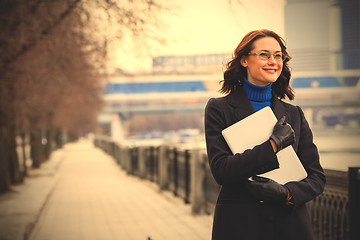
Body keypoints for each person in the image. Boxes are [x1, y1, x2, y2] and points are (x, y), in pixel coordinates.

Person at [204, 29, 326, 240]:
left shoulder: (294, 113)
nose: (273, 61)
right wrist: (273, 145)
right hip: (241, 225)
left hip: (290, 226)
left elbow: (316, 177)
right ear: (244, 60)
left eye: (277, 55)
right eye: (264, 54)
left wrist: (287, 194)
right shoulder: (219, 109)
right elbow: (221, 170)